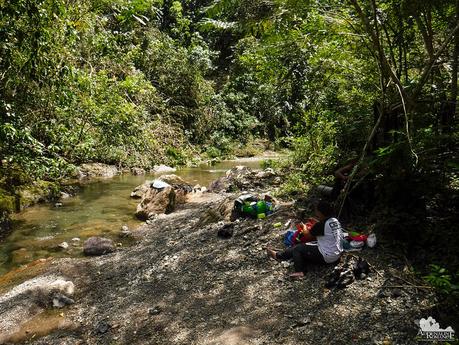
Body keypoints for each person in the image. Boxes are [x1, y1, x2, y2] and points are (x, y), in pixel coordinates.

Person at [267, 200, 343, 278]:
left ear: (320, 212)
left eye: (316, 211)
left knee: (298, 248)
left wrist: (304, 227)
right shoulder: (335, 220)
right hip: (337, 255)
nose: (316, 212)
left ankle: (299, 271)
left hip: (327, 257)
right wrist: (314, 222)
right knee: (305, 246)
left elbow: (307, 235)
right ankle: (279, 255)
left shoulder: (321, 225)